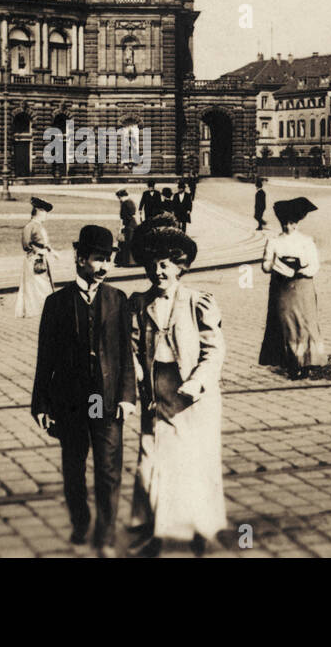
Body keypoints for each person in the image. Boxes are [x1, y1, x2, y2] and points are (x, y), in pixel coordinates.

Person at [31, 225, 136, 557]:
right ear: (79, 259)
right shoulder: (56, 303)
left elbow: (126, 354)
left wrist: (127, 396)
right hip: (72, 401)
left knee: (108, 469)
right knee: (74, 468)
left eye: (108, 260)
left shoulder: (118, 300)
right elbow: (44, 356)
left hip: (105, 399)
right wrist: (41, 404)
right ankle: (80, 521)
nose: (104, 267)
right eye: (97, 259)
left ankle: (105, 533)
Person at [127, 215, 228, 556]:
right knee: (151, 461)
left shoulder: (197, 301)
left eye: (167, 265)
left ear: (180, 267)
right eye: (154, 265)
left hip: (193, 398)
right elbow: (134, 347)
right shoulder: (140, 304)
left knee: (194, 462)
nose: (160, 272)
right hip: (158, 393)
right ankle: (152, 530)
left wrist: (199, 383)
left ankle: (202, 530)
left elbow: (214, 350)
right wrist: (138, 375)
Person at [258, 198, 327, 378]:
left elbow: (315, 266)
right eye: (284, 223)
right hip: (282, 289)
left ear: (297, 223)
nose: (288, 226)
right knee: (287, 325)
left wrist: (301, 270)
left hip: (303, 287)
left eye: (291, 223)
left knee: (305, 324)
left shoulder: (306, 241)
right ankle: (292, 364)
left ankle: (307, 363)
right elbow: (265, 265)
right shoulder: (274, 242)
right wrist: (274, 265)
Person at [15, 197, 55, 318]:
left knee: (43, 282)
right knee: (36, 283)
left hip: (42, 257)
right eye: (44, 213)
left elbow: (45, 242)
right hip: (34, 259)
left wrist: (51, 251)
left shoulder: (39, 226)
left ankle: (45, 306)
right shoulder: (30, 226)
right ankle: (36, 308)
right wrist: (37, 251)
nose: (46, 216)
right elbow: (26, 244)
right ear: (39, 213)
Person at [115, 189, 137, 267]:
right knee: (131, 242)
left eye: (119, 197)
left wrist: (121, 227)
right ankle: (132, 261)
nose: (119, 199)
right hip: (133, 224)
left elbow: (123, 217)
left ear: (122, 196)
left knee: (124, 243)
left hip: (127, 225)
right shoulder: (131, 202)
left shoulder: (124, 204)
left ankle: (124, 262)